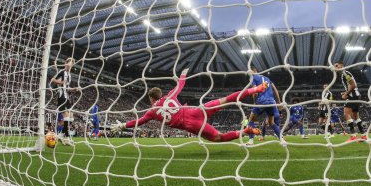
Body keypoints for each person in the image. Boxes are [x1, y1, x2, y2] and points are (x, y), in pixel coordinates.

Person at [112, 69, 266, 142]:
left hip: (191, 124)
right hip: (196, 111)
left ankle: (245, 132)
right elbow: (180, 85)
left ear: (152, 99)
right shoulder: (170, 95)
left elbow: (137, 122)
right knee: (226, 99)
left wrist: (123, 125)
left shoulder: (152, 111)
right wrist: (183, 74)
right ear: (161, 94)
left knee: (218, 137)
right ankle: (255, 89)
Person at [244, 66, 282, 145]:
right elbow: (275, 90)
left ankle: (251, 141)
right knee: (272, 123)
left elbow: (254, 91)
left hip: (261, 101)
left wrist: (255, 102)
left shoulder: (253, 78)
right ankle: (282, 140)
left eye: (249, 72)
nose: (248, 74)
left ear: (254, 71)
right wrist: (278, 101)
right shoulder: (267, 78)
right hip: (271, 102)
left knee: (251, 120)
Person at [334, 60, 367, 141]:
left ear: (341, 65)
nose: (335, 67)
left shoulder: (345, 73)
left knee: (346, 114)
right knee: (356, 116)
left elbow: (353, 85)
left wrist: (346, 94)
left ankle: (353, 135)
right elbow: (352, 85)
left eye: (336, 65)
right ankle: (363, 135)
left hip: (353, 96)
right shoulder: (344, 74)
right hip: (356, 96)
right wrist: (346, 92)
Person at [50, 57, 78, 145]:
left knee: (71, 118)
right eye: (69, 63)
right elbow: (52, 80)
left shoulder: (69, 75)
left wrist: (73, 89)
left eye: (72, 64)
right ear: (66, 63)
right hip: (61, 96)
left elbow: (67, 88)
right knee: (66, 116)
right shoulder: (61, 72)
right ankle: (66, 136)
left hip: (67, 97)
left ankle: (61, 134)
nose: (70, 66)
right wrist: (62, 83)